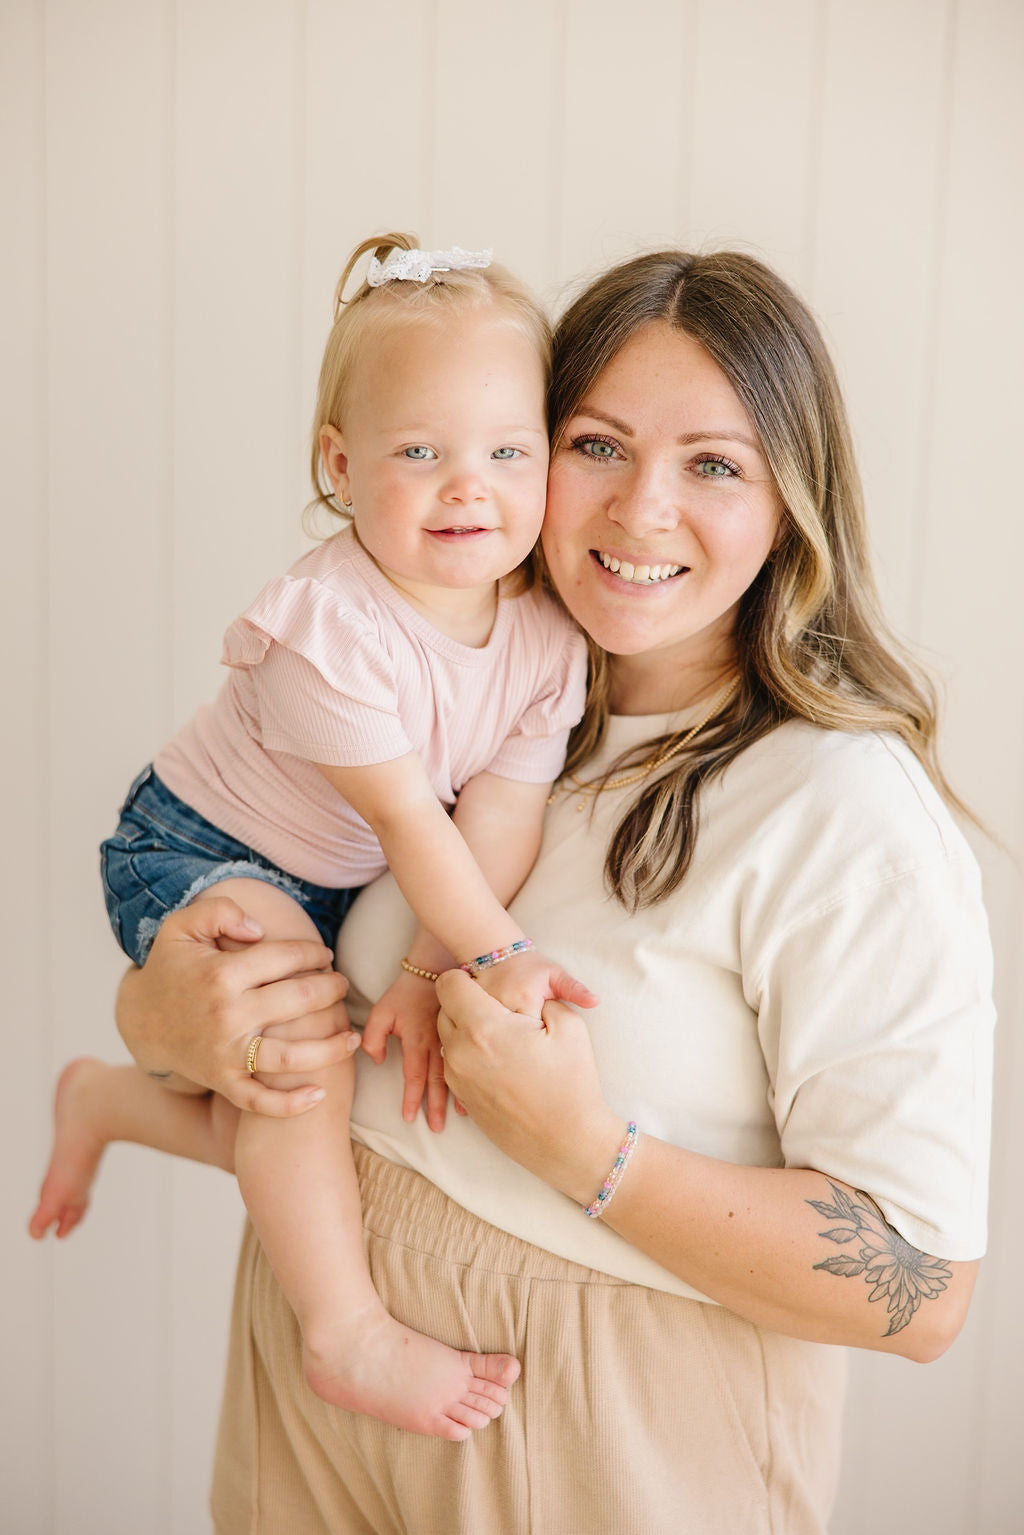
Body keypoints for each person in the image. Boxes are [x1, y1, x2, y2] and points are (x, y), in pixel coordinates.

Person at [114, 247, 993, 1535]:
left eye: (713, 463)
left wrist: (587, 1151)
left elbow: (918, 1295)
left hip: (592, 1435)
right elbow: (260, 930)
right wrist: (164, 1021)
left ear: (793, 500)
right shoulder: (476, 694)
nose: (641, 509)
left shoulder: (839, 807)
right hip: (320, 1399)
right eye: (596, 442)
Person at [29, 234, 597, 1442]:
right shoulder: (327, 627)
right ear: (340, 465)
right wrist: (500, 954)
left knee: (297, 1109)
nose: (468, 485)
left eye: (507, 451)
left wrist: (429, 963)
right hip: (198, 846)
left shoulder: (549, 639)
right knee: (298, 1051)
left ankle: (108, 1103)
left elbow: (497, 813)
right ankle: (344, 1331)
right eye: (419, 452)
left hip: (339, 882)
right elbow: (403, 816)